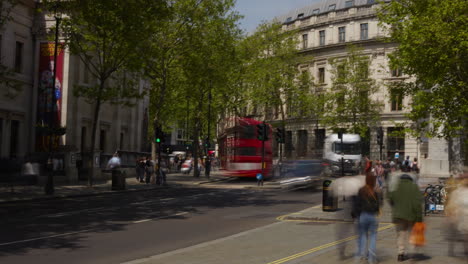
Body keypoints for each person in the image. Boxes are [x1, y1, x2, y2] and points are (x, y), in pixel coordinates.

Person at [388, 174, 423, 262]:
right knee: (411, 234)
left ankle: (400, 253)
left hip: (399, 215)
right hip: (412, 215)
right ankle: (411, 253)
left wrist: (395, 207)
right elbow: (418, 204)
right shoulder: (414, 187)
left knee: (401, 234)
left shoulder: (396, 187)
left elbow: (390, 198)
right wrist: (419, 218)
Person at [353, 172, 381, 264]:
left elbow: (357, 204)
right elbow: (378, 206)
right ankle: (371, 259)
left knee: (363, 236)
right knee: (373, 236)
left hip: (363, 216)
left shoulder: (361, 190)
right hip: (372, 216)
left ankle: (363, 256)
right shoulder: (375, 192)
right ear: (373, 181)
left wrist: (355, 214)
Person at [445, 168, 468, 258]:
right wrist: (450, 214)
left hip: (463, 216)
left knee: (464, 234)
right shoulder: (457, 190)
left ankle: (465, 250)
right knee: (455, 233)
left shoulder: (458, 190)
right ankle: (452, 249)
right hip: (458, 215)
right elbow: (452, 202)